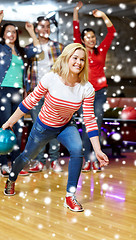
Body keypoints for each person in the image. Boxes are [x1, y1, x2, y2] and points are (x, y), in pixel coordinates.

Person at [2, 43, 109, 212]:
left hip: (66, 125)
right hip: (43, 127)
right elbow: (30, 101)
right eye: (75, 58)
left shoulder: (86, 88)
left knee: (77, 149)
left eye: (82, 59)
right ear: (66, 58)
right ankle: (12, 178)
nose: (78, 62)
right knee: (26, 156)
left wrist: (97, 150)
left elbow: (89, 119)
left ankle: (70, 196)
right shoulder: (51, 78)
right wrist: (10, 121)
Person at [0, 8, 41, 177]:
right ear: (3, 34)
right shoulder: (0, 49)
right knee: (5, 128)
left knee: (18, 129)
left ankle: (15, 165)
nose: (11, 34)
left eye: (13, 32)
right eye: (8, 31)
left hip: (19, 93)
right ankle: (4, 165)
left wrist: (32, 31)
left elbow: (38, 49)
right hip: (2, 92)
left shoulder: (22, 52)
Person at [73, 1, 116, 172]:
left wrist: (103, 15)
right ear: (82, 40)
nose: (91, 39)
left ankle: (95, 159)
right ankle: (86, 159)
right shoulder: (80, 51)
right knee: (86, 125)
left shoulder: (101, 50)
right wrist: (76, 11)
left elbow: (111, 32)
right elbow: (76, 29)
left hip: (100, 92)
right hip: (84, 93)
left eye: (93, 36)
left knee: (96, 124)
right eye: (87, 37)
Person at [27, 16, 64, 173]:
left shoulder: (59, 47)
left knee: (54, 127)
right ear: (36, 29)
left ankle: (55, 160)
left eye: (48, 26)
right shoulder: (29, 48)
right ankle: (39, 161)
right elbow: (25, 72)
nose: (45, 29)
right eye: (42, 26)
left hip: (54, 93)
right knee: (38, 128)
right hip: (36, 93)